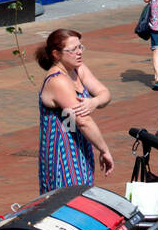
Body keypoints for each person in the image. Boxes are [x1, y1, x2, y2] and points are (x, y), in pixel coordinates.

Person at [36, 29, 113, 191]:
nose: (79, 53)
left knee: (82, 197)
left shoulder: (78, 69)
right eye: (73, 50)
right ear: (56, 54)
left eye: (80, 47)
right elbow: (83, 121)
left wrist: (94, 101)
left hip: (80, 146)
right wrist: (104, 149)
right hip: (61, 151)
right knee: (67, 201)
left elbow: (105, 94)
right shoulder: (58, 80)